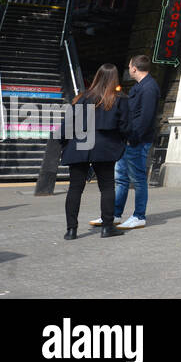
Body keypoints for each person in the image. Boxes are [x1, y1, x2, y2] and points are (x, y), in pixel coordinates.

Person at [64, 64, 129, 239]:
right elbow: (125, 127)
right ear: (114, 79)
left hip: (79, 145)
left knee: (75, 188)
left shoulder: (81, 98)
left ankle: (71, 230)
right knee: (107, 187)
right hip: (105, 147)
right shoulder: (119, 99)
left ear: (97, 77)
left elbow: (66, 127)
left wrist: (66, 146)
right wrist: (121, 143)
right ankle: (107, 228)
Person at [111, 54, 161, 231]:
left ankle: (139, 216)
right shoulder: (142, 86)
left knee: (138, 179)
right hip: (130, 139)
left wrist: (133, 138)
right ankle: (115, 214)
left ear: (134, 68)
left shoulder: (148, 88)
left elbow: (145, 118)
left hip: (136, 141)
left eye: (130, 66)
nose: (129, 69)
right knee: (121, 178)